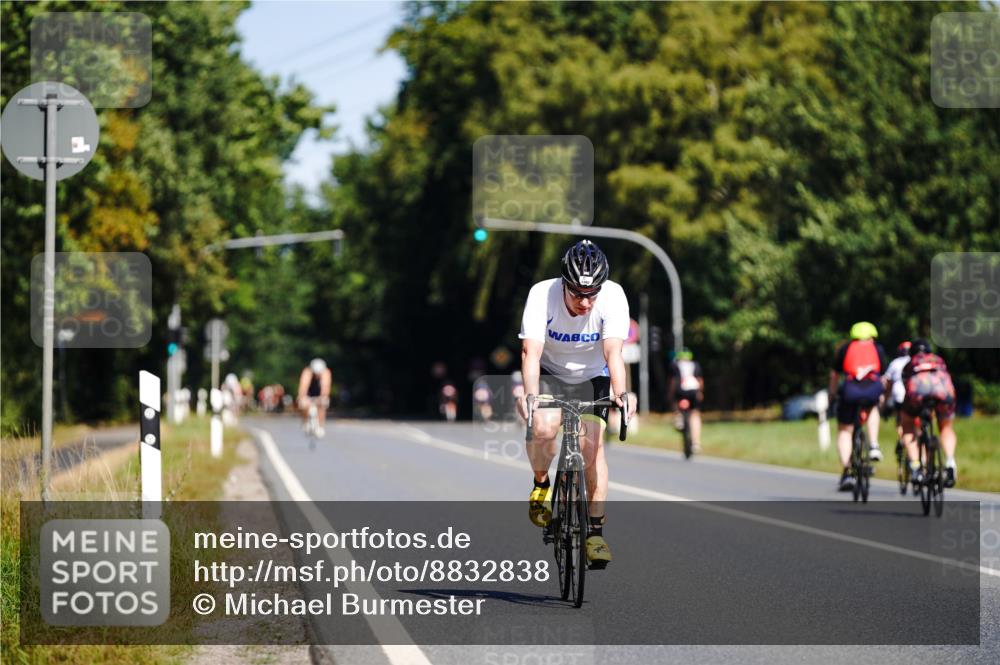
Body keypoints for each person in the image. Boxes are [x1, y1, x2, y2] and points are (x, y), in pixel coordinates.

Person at [515, 239, 636, 569]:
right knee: (543, 427)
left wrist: (622, 394)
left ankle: (595, 532)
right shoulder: (542, 294)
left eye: (592, 294)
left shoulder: (613, 296)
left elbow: (613, 353)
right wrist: (530, 395)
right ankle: (541, 485)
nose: (585, 302)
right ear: (564, 284)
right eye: (577, 294)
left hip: (593, 377)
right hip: (551, 374)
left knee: (591, 448)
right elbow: (530, 352)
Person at [828, 322, 887, 491]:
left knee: (845, 431)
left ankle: (847, 471)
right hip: (872, 388)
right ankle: (874, 445)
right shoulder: (877, 348)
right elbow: (883, 376)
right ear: (872, 336)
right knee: (873, 408)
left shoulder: (845, 348)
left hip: (850, 389)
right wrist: (882, 396)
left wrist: (832, 395)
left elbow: (834, 375)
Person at [899, 339, 959, 487]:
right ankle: (950, 462)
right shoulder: (939, 360)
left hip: (918, 395)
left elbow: (907, 387)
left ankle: (915, 466)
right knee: (946, 427)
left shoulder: (910, 364)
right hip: (944, 393)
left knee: (907, 425)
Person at [667, 347, 704, 453]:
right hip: (693, 392)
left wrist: (670, 395)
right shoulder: (695, 365)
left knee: (674, 403)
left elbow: (673, 381)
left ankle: (678, 418)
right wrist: (700, 392)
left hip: (680, 392)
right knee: (695, 414)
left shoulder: (675, 364)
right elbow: (700, 380)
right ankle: (696, 443)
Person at [882, 341, 912, 447]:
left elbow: (887, 381)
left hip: (899, 396)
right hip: (914, 395)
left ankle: (902, 440)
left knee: (900, 421)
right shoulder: (915, 360)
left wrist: (885, 400)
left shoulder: (895, 363)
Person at [297, 358, 332, 437]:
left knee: (323, 404)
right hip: (309, 393)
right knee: (303, 404)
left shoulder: (326, 373)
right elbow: (303, 386)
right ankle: (305, 421)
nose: (317, 375)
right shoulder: (307, 372)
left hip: (319, 393)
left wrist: (323, 397)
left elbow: (325, 387)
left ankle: (321, 425)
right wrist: (302, 397)